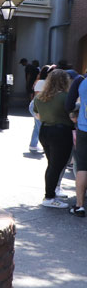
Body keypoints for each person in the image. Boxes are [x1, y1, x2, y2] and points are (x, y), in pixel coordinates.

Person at [32, 69, 74, 208]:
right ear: (65, 81)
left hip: (45, 131)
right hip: (61, 132)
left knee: (52, 165)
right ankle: (49, 197)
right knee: (56, 166)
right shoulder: (65, 97)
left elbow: (37, 115)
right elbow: (73, 116)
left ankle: (50, 194)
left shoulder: (40, 97)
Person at [65, 68, 87, 218]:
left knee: (82, 167)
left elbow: (69, 105)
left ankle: (79, 206)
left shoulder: (81, 81)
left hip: (84, 129)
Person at [28, 65, 52, 153]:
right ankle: (40, 145)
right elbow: (39, 97)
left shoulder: (40, 82)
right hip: (37, 107)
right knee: (40, 127)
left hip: (36, 106)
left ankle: (33, 145)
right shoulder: (43, 82)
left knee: (38, 126)